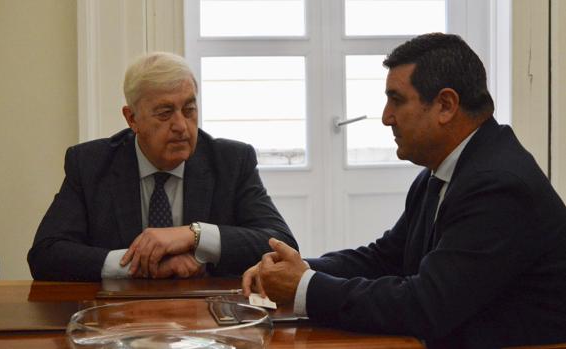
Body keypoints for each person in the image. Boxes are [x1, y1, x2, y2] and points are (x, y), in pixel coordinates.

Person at [242, 33, 566, 348]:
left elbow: (425, 307)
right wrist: (296, 269)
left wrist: (304, 288)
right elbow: (386, 258)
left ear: (446, 105)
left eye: (396, 100)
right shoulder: (443, 171)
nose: (386, 118)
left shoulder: (498, 185)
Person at [28, 52, 297, 281]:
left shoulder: (231, 161)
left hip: (206, 317)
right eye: (165, 113)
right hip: (119, 319)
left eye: (189, 109)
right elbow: (46, 254)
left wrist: (195, 236)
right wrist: (138, 263)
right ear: (132, 118)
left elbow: (281, 244)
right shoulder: (90, 164)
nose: (181, 126)